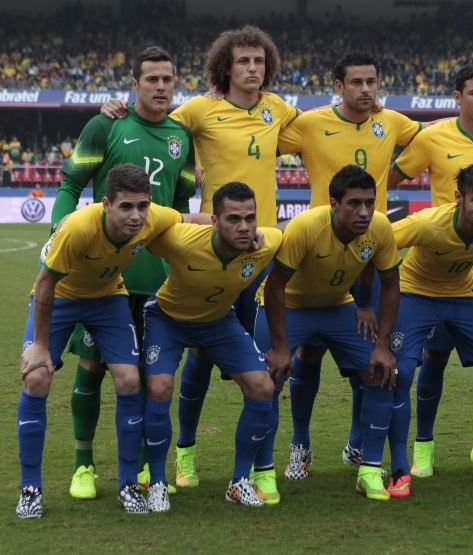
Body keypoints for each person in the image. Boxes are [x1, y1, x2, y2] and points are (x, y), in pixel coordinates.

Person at [275, 52, 473, 476]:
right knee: (309, 356)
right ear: (339, 85)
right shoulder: (312, 122)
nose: (366, 89)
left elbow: (439, 132)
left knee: (371, 357)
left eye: (372, 81)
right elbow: (263, 139)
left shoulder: (390, 122)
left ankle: (357, 441)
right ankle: (301, 443)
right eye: (357, 82)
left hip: (369, 253)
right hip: (316, 249)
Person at [101, 27, 298, 488]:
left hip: (262, 252)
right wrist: (117, 109)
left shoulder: (278, 109)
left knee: (268, 365)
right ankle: (185, 453)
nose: (253, 69)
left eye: (259, 62)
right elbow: (155, 122)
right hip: (212, 249)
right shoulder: (199, 109)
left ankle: (261, 467)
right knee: (203, 361)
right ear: (225, 68)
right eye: (244, 62)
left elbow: (331, 124)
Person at [16, 164, 204, 519]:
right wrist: (40, 346)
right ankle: (30, 489)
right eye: (126, 207)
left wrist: (240, 229)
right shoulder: (78, 227)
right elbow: (44, 285)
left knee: (131, 379)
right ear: (106, 204)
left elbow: (191, 220)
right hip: (61, 298)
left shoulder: (151, 218)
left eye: (143, 206)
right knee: (37, 377)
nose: (136, 216)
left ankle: (128, 485)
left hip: (108, 299)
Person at [52, 46, 196, 501]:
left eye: (167, 79)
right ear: (133, 85)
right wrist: (59, 233)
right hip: (104, 279)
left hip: (158, 280)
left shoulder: (181, 136)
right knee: (93, 367)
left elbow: (182, 208)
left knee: (151, 376)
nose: (160, 87)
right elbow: (71, 185)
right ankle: (83, 464)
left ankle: (138, 471)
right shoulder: (106, 125)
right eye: (150, 79)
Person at [386, 64, 473, 475]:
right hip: (437, 266)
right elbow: (389, 178)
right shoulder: (433, 137)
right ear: (457, 96)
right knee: (434, 358)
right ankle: (425, 448)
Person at [257, 165, 402, 501]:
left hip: (337, 306)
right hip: (289, 306)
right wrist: (280, 346)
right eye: (354, 203)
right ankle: (267, 467)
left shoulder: (379, 227)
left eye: (370, 202)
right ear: (334, 203)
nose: (364, 211)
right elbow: (275, 286)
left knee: (381, 371)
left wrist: (381, 342)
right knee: (266, 381)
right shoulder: (307, 226)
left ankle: (367, 468)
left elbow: (390, 284)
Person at [141, 182, 282, 511]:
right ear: (215, 221)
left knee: (263, 386)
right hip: (168, 319)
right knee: (160, 387)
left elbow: (289, 231)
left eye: (250, 218)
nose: (244, 226)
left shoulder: (265, 244)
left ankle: (238, 481)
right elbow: (147, 221)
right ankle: (158, 481)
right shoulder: (181, 240)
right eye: (233, 219)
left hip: (218, 322)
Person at [384, 163, 473, 497]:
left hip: (463, 295)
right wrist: (369, 305)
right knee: (401, 374)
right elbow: (379, 244)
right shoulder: (428, 223)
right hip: (415, 293)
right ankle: (402, 468)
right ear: (459, 197)